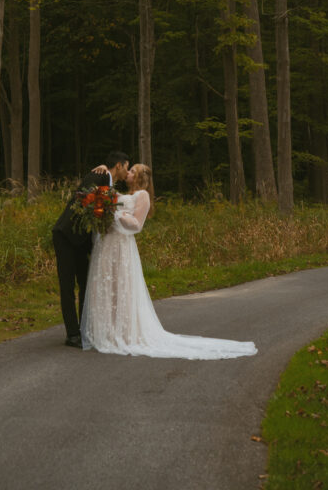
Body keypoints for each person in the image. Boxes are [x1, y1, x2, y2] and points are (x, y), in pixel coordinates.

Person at [81, 163, 257, 359]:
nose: (128, 173)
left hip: (123, 247)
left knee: (123, 288)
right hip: (109, 246)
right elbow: (107, 189)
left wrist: (117, 215)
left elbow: (137, 225)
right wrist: (104, 170)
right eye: (128, 170)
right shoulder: (121, 194)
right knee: (110, 286)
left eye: (132, 171)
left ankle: (124, 332)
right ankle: (109, 330)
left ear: (139, 177)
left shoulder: (143, 196)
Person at [53, 151, 130, 348]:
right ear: (119, 166)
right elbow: (84, 199)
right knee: (68, 285)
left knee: (86, 283)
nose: (127, 171)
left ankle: (85, 328)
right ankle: (72, 335)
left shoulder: (109, 182)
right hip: (66, 235)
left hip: (83, 240)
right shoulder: (98, 176)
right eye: (127, 167)